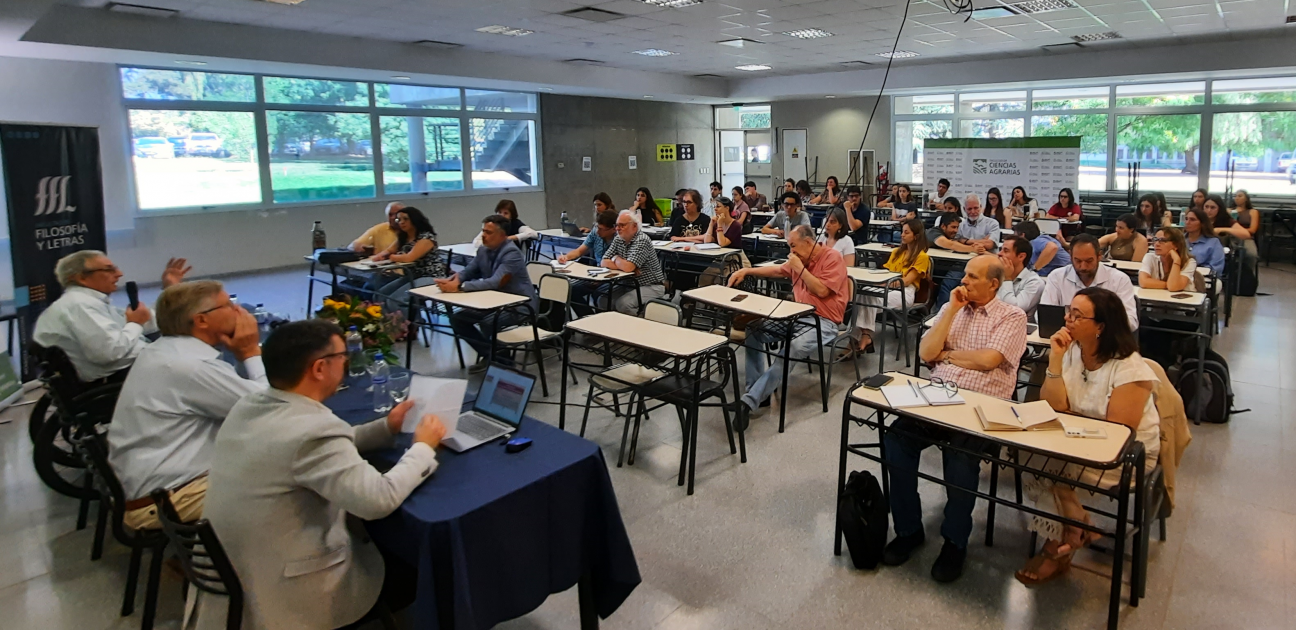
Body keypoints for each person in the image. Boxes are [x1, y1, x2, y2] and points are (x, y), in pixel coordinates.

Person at [203, 320, 447, 630]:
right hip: (287, 590)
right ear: (320, 368)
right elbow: (378, 500)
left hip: (242, 571)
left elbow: (313, 447)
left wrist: (386, 428)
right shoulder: (312, 430)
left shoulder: (251, 405)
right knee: (417, 561)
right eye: (343, 356)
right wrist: (424, 448)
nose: (346, 362)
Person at [883, 254, 1027, 583]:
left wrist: (948, 355)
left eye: (973, 277)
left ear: (994, 283)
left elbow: (990, 360)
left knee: (960, 457)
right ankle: (908, 529)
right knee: (896, 440)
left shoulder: (1011, 316)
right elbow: (926, 353)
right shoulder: (954, 309)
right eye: (965, 274)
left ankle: (954, 541)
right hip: (939, 396)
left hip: (982, 406)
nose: (964, 281)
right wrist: (950, 311)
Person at [1016, 287, 1159, 585]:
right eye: (1069, 312)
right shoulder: (1073, 351)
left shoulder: (1130, 367)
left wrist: (1069, 421)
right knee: (1026, 453)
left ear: (1101, 327)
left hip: (1125, 455)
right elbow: (1054, 406)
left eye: (1077, 316)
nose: (1067, 319)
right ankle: (1077, 521)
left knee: (1049, 467)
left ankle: (1057, 546)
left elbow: (1117, 432)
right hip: (1076, 441)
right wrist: (1055, 360)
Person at [108, 280, 266, 530]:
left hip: (148, 480)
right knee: (288, 473)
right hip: (170, 497)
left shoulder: (162, 349)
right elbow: (269, 410)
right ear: (201, 320)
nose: (239, 311)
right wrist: (250, 353)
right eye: (228, 305)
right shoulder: (190, 367)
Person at [726, 225, 848, 414]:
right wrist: (747, 272)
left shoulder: (833, 258)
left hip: (824, 322)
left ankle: (749, 401)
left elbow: (822, 290)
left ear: (808, 243)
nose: (791, 252)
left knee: (792, 348)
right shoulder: (800, 258)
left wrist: (799, 268)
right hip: (797, 316)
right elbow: (778, 271)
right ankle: (758, 393)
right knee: (753, 330)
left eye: (793, 246)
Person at [34, 251, 190, 382]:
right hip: (121, 377)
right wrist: (135, 323)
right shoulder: (79, 305)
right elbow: (109, 352)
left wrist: (170, 289)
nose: (119, 274)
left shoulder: (88, 302)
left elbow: (149, 322)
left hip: (134, 367)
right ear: (81, 278)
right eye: (109, 270)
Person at [435, 214, 536, 371]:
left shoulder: (511, 253)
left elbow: (495, 281)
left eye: (489, 232)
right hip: (492, 302)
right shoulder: (483, 250)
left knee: (489, 322)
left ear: (502, 236)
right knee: (458, 319)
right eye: (483, 231)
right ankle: (492, 356)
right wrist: (455, 280)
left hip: (520, 305)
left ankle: (503, 364)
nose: (483, 235)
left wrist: (460, 287)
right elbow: (469, 271)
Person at [851, 217, 930, 355]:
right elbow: (885, 272)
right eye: (902, 231)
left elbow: (905, 281)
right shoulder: (896, 252)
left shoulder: (922, 257)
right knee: (862, 294)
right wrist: (880, 282)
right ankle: (865, 336)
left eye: (906, 232)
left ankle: (855, 337)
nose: (902, 235)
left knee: (870, 298)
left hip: (905, 292)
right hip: (887, 285)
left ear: (916, 236)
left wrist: (884, 283)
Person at [1041, 234, 1139, 330]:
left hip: (1105, 341)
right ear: (1070, 256)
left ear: (1099, 256)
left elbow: (1131, 322)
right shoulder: (1056, 277)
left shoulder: (1119, 280)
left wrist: (1092, 327)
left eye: (1089, 261)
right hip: (1068, 337)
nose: (1083, 267)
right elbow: (1045, 316)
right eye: (1078, 261)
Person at [373, 206, 448, 312]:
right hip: (412, 276)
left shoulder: (426, 237)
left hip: (431, 276)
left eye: (405, 219)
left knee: (395, 300)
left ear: (414, 219)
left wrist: (393, 257)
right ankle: (388, 325)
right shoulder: (404, 237)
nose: (401, 222)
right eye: (399, 220)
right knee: (380, 296)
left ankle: (408, 326)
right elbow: (388, 251)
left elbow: (410, 258)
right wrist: (380, 256)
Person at [602, 210, 668, 315]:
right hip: (629, 283)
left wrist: (615, 258)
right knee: (603, 301)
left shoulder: (642, 240)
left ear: (634, 226)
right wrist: (622, 263)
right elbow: (604, 261)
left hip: (651, 286)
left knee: (623, 304)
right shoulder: (618, 238)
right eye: (617, 225)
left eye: (622, 225)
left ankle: (640, 325)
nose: (618, 228)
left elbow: (628, 268)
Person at [996, 235, 1045, 319]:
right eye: (1001, 249)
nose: (999, 254)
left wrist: (1007, 279)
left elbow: (1014, 310)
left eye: (1006, 251)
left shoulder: (1034, 282)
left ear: (1021, 256)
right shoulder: (996, 275)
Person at [1138, 226, 1197, 292]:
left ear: (1176, 245)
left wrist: (1176, 260)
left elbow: (1173, 287)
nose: (1156, 244)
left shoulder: (1189, 262)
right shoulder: (1150, 257)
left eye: (1162, 240)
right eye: (1155, 239)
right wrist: (1168, 284)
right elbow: (1143, 282)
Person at [1183, 207, 1226, 276]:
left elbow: (1216, 268)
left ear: (1202, 224)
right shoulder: (1179, 239)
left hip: (1205, 278)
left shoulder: (1213, 242)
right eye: (1186, 219)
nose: (1187, 222)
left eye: (1192, 220)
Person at [1230, 189, 1261, 271]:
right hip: (1230, 236)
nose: (1237, 198)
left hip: (1246, 237)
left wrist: (1240, 231)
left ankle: (1248, 275)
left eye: (1240, 196)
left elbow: (1253, 229)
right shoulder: (1229, 211)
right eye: (1235, 196)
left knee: (1251, 254)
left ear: (1246, 199)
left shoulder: (1253, 212)